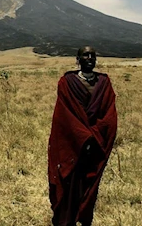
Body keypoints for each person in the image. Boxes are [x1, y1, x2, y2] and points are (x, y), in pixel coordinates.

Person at [47, 46, 118, 226]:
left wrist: (95, 136)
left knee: (90, 183)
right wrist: (83, 136)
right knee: (70, 182)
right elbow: (65, 115)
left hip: (95, 144)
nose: (89, 58)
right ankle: (66, 220)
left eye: (92, 55)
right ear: (77, 59)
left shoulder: (103, 82)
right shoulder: (67, 82)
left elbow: (108, 115)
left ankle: (85, 217)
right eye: (85, 55)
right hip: (73, 143)